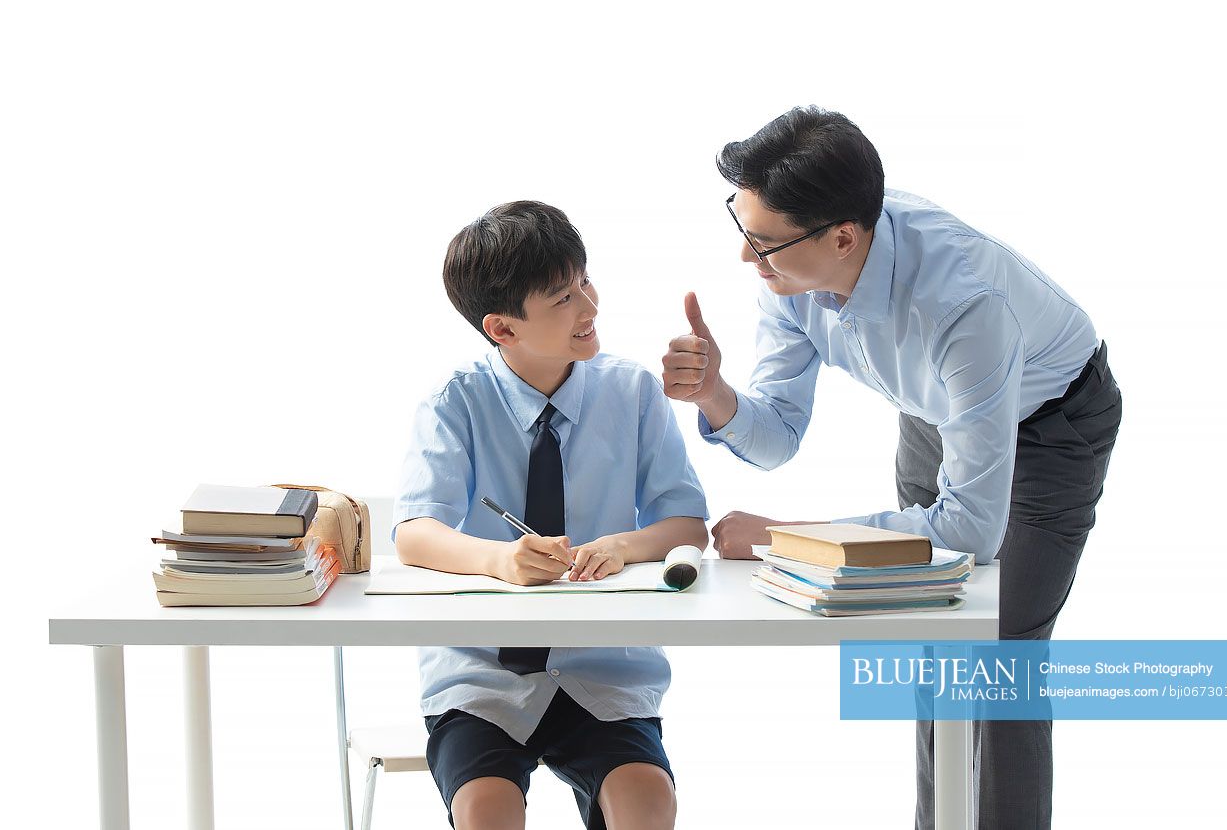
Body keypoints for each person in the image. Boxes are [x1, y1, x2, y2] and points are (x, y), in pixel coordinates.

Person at [661, 107, 1121, 829]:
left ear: (841, 237)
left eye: (763, 244)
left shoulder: (964, 302)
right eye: (743, 232)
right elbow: (777, 434)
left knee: (999, 660)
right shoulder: (792, 275)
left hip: (1049, 424)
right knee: (937, 649)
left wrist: (786, 536)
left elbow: (969, 529)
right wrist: (716, 393)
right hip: (937, 414)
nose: (747, 260)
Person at [394, 200, 708, 830]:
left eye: (584, 281)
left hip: (604, 667)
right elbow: (414, 535)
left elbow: (688, 526)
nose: (589, 308)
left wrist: (623, 544)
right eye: (562, 299)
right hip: (480, 673)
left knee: (647, 802)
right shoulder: (454, 401)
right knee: (487, 810)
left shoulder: (632, 391)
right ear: (501, 328)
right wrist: (499, 561)